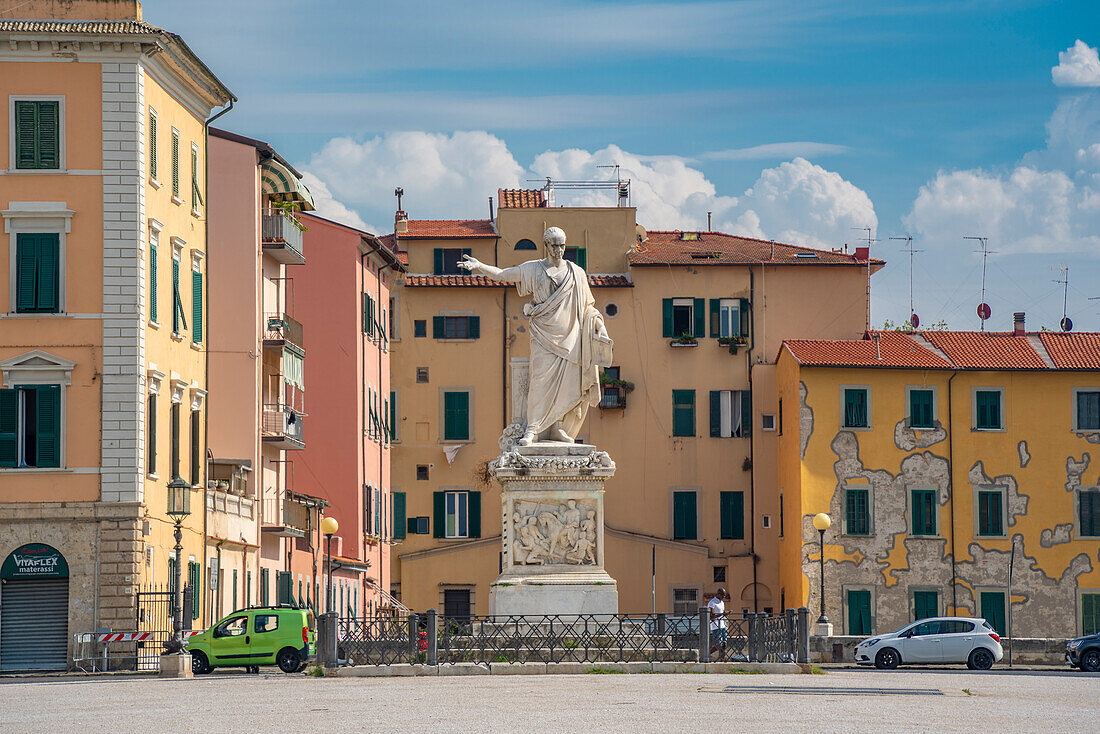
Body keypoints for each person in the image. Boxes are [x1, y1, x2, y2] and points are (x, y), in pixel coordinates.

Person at [459, 227, 612, 445]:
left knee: (567, 384)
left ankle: (556, 427)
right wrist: (479, 266)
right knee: (539, 380)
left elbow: (588, 308)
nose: (559, 250)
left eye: (562, 245)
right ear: (546, 245)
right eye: (554, 245)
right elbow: (504, 275)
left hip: (571, 338)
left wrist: (600, 327)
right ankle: (532, 429)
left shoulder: (577, 273)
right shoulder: (534, 269)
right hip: (543, 334)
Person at [708, 587, 728, 659]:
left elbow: (722, 612)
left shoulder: (722, 602)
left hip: (722, 625)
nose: (723, 597)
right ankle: (706, 654)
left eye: (724, 596)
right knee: (718, 644)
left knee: (724, 644)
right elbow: (710, 615)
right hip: (715, 625)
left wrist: (725, 613)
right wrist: (721, 614)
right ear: (718, 594)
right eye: (722, 595)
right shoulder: (712, 602)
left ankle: (722, 659)